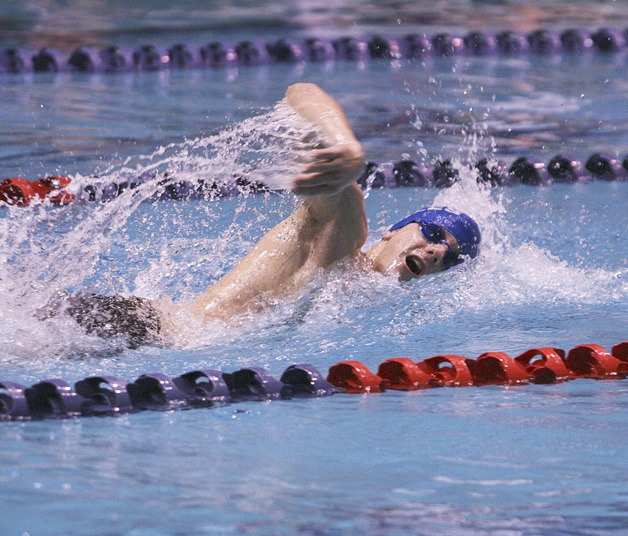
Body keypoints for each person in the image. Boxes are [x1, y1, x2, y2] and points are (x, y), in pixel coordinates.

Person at [65, 83, 481, 346]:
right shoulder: (344, 233)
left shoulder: (366, 299)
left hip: (148, 343)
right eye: (432, 232)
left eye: (449, 254)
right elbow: (302, 92)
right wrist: (348, 151)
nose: (435, 251)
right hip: (149, 328)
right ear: (393, 232)